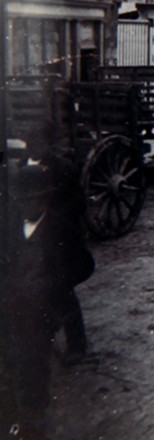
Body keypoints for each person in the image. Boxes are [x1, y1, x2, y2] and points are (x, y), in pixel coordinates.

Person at [5, 162, 95, 426]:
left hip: (50, 296)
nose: (28, 206)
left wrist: (62, 282)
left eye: (35, 199)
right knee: (19, 355)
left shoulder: (60, 227)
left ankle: (35, 414)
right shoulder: (11, 228)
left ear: (46, 198)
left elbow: (84, 265)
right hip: (20, 302)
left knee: (37, 357)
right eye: (23, 201)